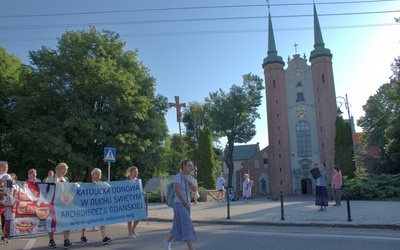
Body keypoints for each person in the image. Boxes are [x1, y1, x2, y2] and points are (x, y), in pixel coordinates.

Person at [163, 159, 197, 250]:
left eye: (192, 165)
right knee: (187, 225)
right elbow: (177, 192)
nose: (191, 167)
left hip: (187, 204)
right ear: (183, 167)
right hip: (179, 203)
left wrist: (188, 181)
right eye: (189, 165)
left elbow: (194, 189)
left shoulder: (189, 177)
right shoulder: (178, 176)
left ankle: (167, 240)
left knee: (178, 224)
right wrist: (185, 203)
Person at [80, 168, 112, 245]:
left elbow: (113, 189)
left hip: (99, 205)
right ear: (92, 175)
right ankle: (83, 235)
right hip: (89, 206)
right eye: (97, 174)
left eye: (99, 174)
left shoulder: (102, 184)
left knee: (102, 221)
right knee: (86, 221)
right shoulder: (88, 184)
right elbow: (80, 189)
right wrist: (79, 184)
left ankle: (104, 237)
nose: (99, 175)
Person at [46, 163, 73, 248]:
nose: (64, 171)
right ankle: (51, 240)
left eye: (66, 169)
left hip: (63, 204)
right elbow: (46, 189)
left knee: (66, 221)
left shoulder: (66, 179)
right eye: (63, 169)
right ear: (57, 169)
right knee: (51, 222)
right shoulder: (51, 178)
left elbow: (69, 190)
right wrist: (56, 181)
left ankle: (66, 239)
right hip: (53, 203)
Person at [126, 166, 141, 239]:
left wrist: (142, 192)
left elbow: (139, 190)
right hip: (130, 202)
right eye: (135, 172)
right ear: (131, 173)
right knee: (130, 218)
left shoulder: (138, 181)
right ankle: (129, 233)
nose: (136, 173)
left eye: (137, 171)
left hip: (137, 202)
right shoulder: (127, 181)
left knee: (138, 217)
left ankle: (133, 229)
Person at [0, 161, 12, 244]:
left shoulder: (8, 176)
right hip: (0, 198)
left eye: (7, 167)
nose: (6, 168)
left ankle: (4, 236)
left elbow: (11, 187)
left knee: (5, 218)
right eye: (4, 167)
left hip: (5, 200)